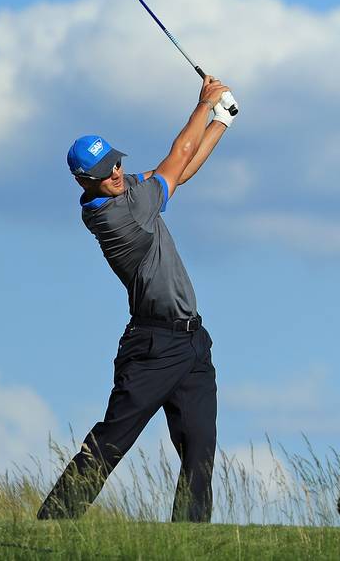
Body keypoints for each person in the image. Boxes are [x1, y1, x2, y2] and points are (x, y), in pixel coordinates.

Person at [38, 74, 236, 522]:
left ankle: (189, 537)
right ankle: (55, 519)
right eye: (104, 172)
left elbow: (181, 171)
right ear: (83, 181)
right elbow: (179, 156)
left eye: (115, 164)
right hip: (152, 346)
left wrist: (222, 120)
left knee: (200, 445)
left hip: (191, 341)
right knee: (114, 438)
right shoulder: (119, 214)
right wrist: (204, 104)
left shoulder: (128, 190)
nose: (114, 174)